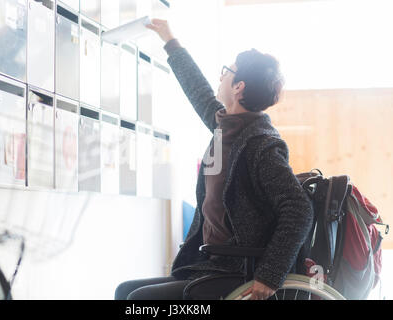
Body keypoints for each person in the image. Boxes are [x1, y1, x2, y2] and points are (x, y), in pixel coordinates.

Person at [115, 19, 313, 300]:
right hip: (212, 264)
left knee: (140, 300)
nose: (220, 77)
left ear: (239, 87)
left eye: (226, 72)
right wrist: (169, 40)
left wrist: (269, 276)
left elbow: (299, 209)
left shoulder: (262, 144)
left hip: (239, 270)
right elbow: (199, 91)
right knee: (125, 291)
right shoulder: (227, 126)